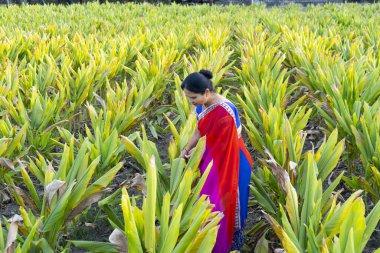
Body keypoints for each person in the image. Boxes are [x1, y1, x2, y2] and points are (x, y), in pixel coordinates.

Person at [180, 69, 253, 253]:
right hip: (214, 156)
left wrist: (200, 157)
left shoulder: (224, 112)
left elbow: (224, 148)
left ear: (206, 92)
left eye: (193, 97)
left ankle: (220, 245)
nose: (191, 102)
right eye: (188, 98)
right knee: (207, 199)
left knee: (220, 202)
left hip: (231, 161)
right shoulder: (203, 105)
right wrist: (187, 149)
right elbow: (199, 130)